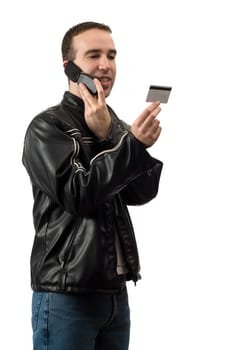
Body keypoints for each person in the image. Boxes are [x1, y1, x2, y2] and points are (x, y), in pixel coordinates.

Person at [22, 21, 163, 350]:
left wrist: (117, 139)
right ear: (69, 67)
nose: (105, 65)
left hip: (115, 294)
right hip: (65, 295)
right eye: (94, 55)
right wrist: (129, 146)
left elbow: (141, 192)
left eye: (112, 56)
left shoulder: (112, 125)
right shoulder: (47, 127)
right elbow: (77, 194)